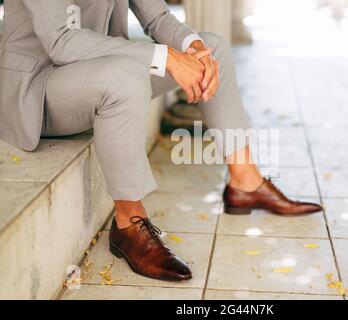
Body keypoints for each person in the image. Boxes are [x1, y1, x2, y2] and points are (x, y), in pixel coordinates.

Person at [0, 0, 322, 281]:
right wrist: (165, 57)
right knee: (124, 79)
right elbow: (61, 39)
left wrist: (192, 47)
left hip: (98, 69)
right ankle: (128, 223)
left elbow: (156, 18)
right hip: (40, 86)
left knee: (213, 48)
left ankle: (245, 183)